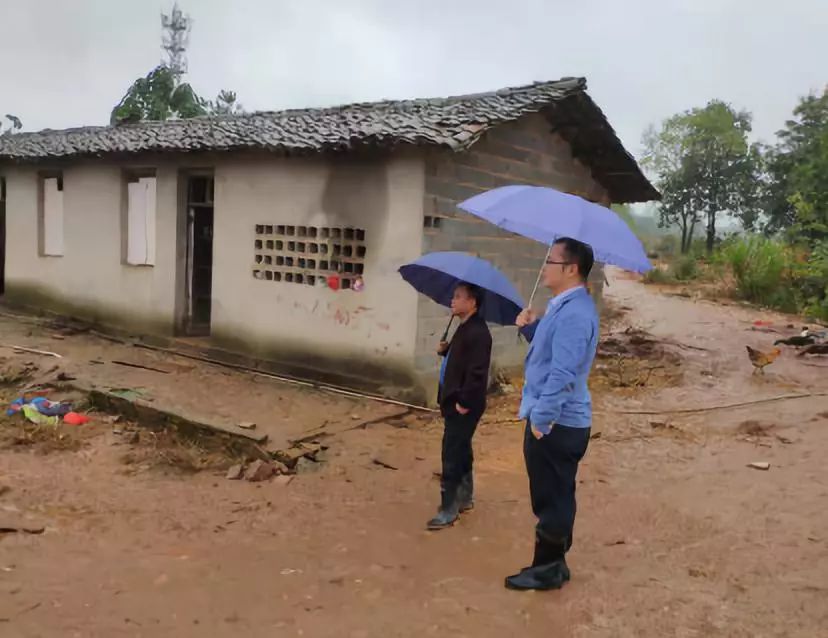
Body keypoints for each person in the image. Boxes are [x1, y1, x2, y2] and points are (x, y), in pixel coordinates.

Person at [505, 237, 599, 591]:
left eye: (551, 261)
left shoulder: (575, 314)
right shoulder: (563, 305)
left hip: (557, 423)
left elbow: (562, 374)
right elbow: (552, 354)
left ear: (571, 269)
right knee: (556, 493)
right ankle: (555, 564)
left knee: (552, 497)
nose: (544, 267)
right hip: (555, 419)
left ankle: (546, 571)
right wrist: (530, 328)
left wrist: (542, 421)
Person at [428, 282, 492, 530]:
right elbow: (461, 360)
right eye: (453, 297)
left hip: (464, 405)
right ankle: (465, 498)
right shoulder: (465, 327)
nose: (452, 301)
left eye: (458, 297)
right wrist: (446, 351)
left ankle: (448, 508)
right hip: (455, 402)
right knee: (461, 448)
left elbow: (477, 373)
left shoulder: (479, 332)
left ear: (472, 302)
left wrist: (463, 404)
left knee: (451, 452)